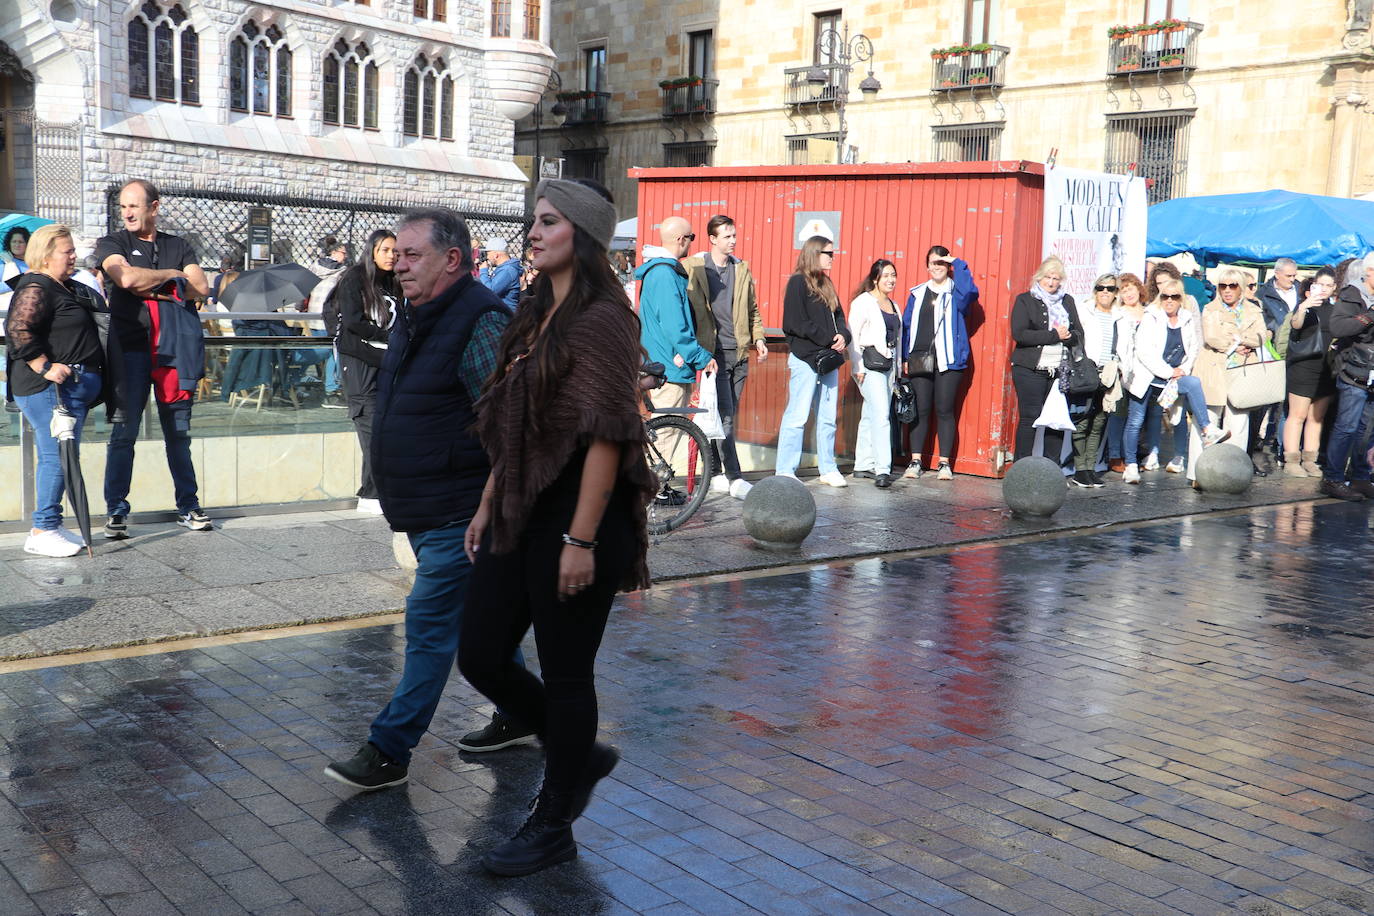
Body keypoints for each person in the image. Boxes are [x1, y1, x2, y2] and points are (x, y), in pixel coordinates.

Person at [457, 178, 655, 876]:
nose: (533, 233)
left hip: (581, 518)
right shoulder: (534, 308)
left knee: (568, 676)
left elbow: (607, 436)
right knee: (480, 653)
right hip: (523, 505)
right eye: (533, 221)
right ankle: (581, 753)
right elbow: (514, 425)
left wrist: (579, 539)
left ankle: (554, 823)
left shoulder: (604, 318)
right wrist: (488, 502)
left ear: (585, 234)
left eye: (549, 222)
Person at [323, 207, 536, 794]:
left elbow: (508, 422)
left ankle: (390, 749)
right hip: (427, 506)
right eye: (399, 254)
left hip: (461, 510)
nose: (400, 266)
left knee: (429, 623)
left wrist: (492, 505)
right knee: (475, 629)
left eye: (413, 256)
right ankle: (524, 711)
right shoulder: (414, 316)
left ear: (453, 259)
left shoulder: (481, 319)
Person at [94, 179, 212, 538]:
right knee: (124, 434)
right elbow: (125, 278)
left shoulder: (178, 244)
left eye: (134, 206)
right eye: (123, 207)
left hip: (174, 353)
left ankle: (188, 506)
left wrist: (159, 283)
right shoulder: (112, 243)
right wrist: (173, 278)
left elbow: (201, 287)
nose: (127, 213)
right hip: (129, 350)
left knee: (179, 434)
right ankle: (116, 510)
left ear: (154, 207)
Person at [4, 225, 105, 557]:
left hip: (67, 389)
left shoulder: (60, 285)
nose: (74, 256)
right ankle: (43, 528)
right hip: (47, 388)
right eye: (68, 251)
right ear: (46, 256)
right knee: (55, 457)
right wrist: (44, 365)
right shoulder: (37, 285)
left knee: (63, 457)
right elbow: (18, 327)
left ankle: (51, 524)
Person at [683, 214, 767, 499]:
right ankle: (735, 477)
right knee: (726, 417)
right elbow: (683, 309)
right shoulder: (695, 267)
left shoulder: (741, 269)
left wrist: (759, 338)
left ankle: (716, 470)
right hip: (712, 355)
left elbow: (753, 309)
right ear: (713, 239)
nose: (733, 240)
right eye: (727, 236)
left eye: (734, 234)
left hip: (739, 353)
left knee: (726, 415)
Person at [635, 217, 715, 501]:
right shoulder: (666, 274)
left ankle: (656, 487)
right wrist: (700, 356)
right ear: (681, 239)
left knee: (661, 428)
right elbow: (675, 325)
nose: (692, 242)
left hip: (658, 361)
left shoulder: (656, 272)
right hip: (669, 366)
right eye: (691, 237)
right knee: (667, 429)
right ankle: (656, 490)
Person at [1121, 277, 1229, 484]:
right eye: (1165, 297)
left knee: (1193, 384)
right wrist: (1169, 371)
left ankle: (1207, 430)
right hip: (1148, 376)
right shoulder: (1150, 316)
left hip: (1173, 376)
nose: (1169, 300)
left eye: (1174, 297)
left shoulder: (1186, 318)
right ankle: (1131, 465)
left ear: (1181, 299)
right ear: (1160, 298)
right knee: (1136, 420)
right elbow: (1143, 352)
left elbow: (1193, 348)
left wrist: (1182, 370)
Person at [332, 229, 401, 515]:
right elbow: (352, 321)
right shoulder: (354, 278)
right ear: (372, 251)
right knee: (372, 429)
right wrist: (388, 337)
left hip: (386, 364)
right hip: (359, 362)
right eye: (385, 250)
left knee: (386, 429)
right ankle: (372, 495)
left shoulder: (394, 282)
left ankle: (374, 491)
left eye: (394, 251)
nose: (391, 256)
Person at [776, 236, 851, 486]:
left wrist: (843, 336)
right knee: (797, 416)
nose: (832, 257)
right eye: (828, 253)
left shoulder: (826, 282)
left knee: (828, 417)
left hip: (828, 359)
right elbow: (795, 323)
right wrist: (830, 338)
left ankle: (828, 468)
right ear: (814, 253)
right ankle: (785, 469)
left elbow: (839, 316)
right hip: (805, 358)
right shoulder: (798, 282)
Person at [901, 246, 979, 481]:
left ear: (948, 267)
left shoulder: (957, 292)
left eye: (942, 263)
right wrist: (905, 357)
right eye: (933, 263)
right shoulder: (917, 293)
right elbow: (906, 327)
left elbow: (972, 293)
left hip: (949, 360)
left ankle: (944, 463)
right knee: (921, 411)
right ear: (927, 266)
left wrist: (958, 262)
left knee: (945, 410)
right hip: (919, 359)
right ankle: (916, 460)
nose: (937, 267)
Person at [1190, 266, 1268, 481]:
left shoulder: (1254, 310)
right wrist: (1239, 342)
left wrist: (1239, 340)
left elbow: (1262, 335)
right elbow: (1212, 338)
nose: (1227, 290)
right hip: (1214, 368)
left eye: (1232, 286)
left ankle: (1232, 474)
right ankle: (1197, 473)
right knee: (1206, 422)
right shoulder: (1210, 309)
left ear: (1241, 288)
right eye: (1222, 285)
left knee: (1239, 424)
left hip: (1241, 370)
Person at [1011, 257, 1082, 463]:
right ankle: (1021, 467)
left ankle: (1052, 469)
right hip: (1030, 369)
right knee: (1030, 417)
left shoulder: (1067, 301)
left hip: (1060, 370)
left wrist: (1070, 336)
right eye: (1047, 278)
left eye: (1056, 278)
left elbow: (1078, 332)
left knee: (1056, 419)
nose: (1051, 282)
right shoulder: (1025, 299)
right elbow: (1020, 334)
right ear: (1039, 278)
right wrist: (1054, 335)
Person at [1320, 252, 1374, 501]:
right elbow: (1339, 327)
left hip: (1372, 373)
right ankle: (1332, 478)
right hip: (1353, 371)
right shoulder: (1352, 294)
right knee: (1347, 427)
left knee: (1367, 430)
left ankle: (1361, 477)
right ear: (1370, 272)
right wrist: (1369, 316)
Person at [847, 259, 900, 488]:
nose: (891, 280)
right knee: (881, 416)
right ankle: (882, 469)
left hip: (888, 366)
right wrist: (856, 366)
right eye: (886, 275)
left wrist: (898, 367)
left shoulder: (894, 305)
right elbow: (853, 335)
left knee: (870, 414)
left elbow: (897, 339)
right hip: (869, 365)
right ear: (875, 278)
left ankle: (862, 464)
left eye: (893, 275)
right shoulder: (863, 302)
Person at [1282, 267, 1338, 477]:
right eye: (1320, 284)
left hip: (1325, 369)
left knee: (1317, 417)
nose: (1323, 289)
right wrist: (1305, 306)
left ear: (1333, 288)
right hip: (1303, 367)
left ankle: (1310, 459)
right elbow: (1295, 324)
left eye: (1328, 286)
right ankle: (1291, 460)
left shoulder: (1335, 311)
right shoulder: (1304, 307)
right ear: (1313, 285)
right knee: (1297, 415)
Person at [1068, 273, 1120, 487]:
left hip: (1110, 372)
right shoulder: (1085, 311)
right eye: (1101, 288)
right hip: (1088, 371)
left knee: (1099, 421)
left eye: (1110, 288)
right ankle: (1080, 469)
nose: (1105, 292)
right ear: (1095, 290)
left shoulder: (1120, 314)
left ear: (1116, 292)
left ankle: (1090, 468)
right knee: (1082, 421)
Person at [1252, 257, 1302, 472]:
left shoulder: (1301, 291)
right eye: (1289, 275)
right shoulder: (1263, 294)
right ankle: (1256, 445)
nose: (1293, 279)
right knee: (1265, 401)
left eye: (1294, 275)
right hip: (1272, 352)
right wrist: (1272, 329)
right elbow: (1260, 320)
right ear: (1277, 274)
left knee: (1286, 404)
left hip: (1297, 351)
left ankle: (1282, 448)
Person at [1105, 272, 1148, 472]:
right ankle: (1115, 455)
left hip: (1146, 370)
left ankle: (1132, 452)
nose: (1128, 293)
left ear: (1139, 288)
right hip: (1124, 369)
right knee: (1119, 413)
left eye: (1130, 288)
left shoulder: (1149, 312)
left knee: (1139, 416)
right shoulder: (1119, 313)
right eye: (1123, 290)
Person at [306, 236, 347, 408]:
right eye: (344, 252)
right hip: (329, 318)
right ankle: (331, 389)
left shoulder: (314, 267)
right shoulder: (342, 272)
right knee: (332, 352)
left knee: (318, 350)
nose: (346, 255)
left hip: (312, 316)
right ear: (335, 253)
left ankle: (292, 374)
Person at [479, 237, 522, 310]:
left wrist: (483, 271)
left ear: (496, 255)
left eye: (488, 253)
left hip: (506, 315)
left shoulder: (507, 270)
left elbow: (490, 291)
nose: (487, 257)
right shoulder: (504, 268)